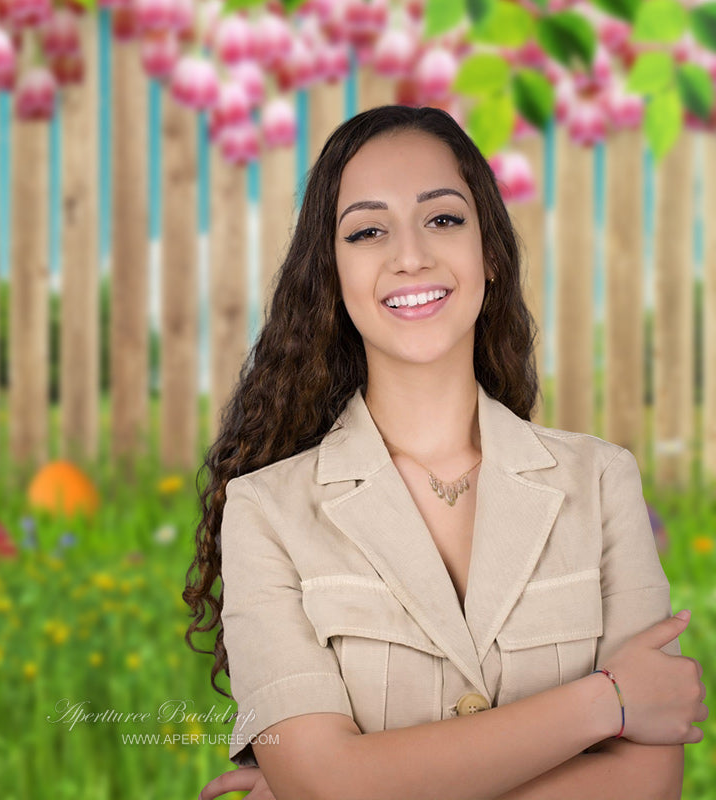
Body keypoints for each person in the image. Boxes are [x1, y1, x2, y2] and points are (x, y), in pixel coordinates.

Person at [184, 105, 707, 800]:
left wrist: (355, 782)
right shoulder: (264, 512)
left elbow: (648, 784)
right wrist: (606, 702)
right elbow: (326, 785)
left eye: (443, 219)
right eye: (368, 231)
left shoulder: (603, 481)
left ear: (488, 250)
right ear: (332, 276)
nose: (410, 255)